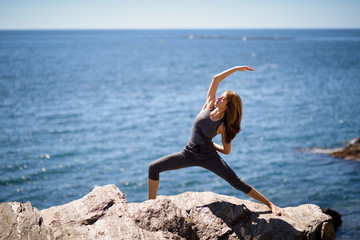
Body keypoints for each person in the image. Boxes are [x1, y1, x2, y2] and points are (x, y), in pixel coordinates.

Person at [148, 66, 281, 216]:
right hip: (188, 154)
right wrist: (236, 69)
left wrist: (211, 145)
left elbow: (227, 151)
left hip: (209, 158)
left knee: (236, 182)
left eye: (223, 98)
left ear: (228, 106)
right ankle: (150, 207)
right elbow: (215, 79)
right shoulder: (209, 105)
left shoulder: (224, 127)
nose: (218, 98)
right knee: (154, 167)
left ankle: (270, 204)